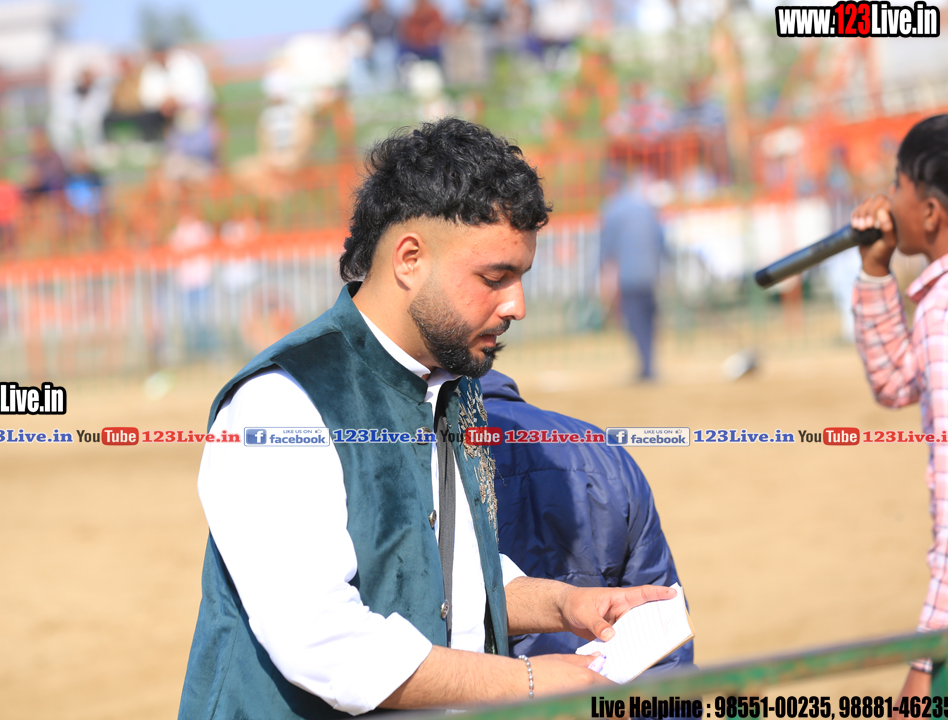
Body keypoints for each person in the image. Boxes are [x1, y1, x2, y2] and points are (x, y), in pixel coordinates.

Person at [178, 118, 675, 718]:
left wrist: (565, 605)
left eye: (520, 278)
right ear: (409, 259)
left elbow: (446, 578)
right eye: (495, 278)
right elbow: (324, 646)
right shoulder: (279, 403)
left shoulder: (448, 384)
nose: (517, 305)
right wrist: (529, 681)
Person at [850, 113, 948, 701]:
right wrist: (876, 268)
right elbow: (897, 380)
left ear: (931, 213)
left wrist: (928, 656)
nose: (888, 199)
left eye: (898, 184)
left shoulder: (947, 312)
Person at [480, 369, 694, 671]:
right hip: (597, 689)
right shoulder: (599, 447)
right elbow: (659, 630)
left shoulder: (425, 449)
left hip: (488, 688)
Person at [599, 166, 666, 381]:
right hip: (650, 274)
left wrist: (602, 276)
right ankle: (649, 365)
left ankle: (646, 367)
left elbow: (606, 249)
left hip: (628, 277)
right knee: (649, 320)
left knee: (635, 322)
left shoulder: (611, 210)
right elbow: (661, 238)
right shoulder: (644, 206)